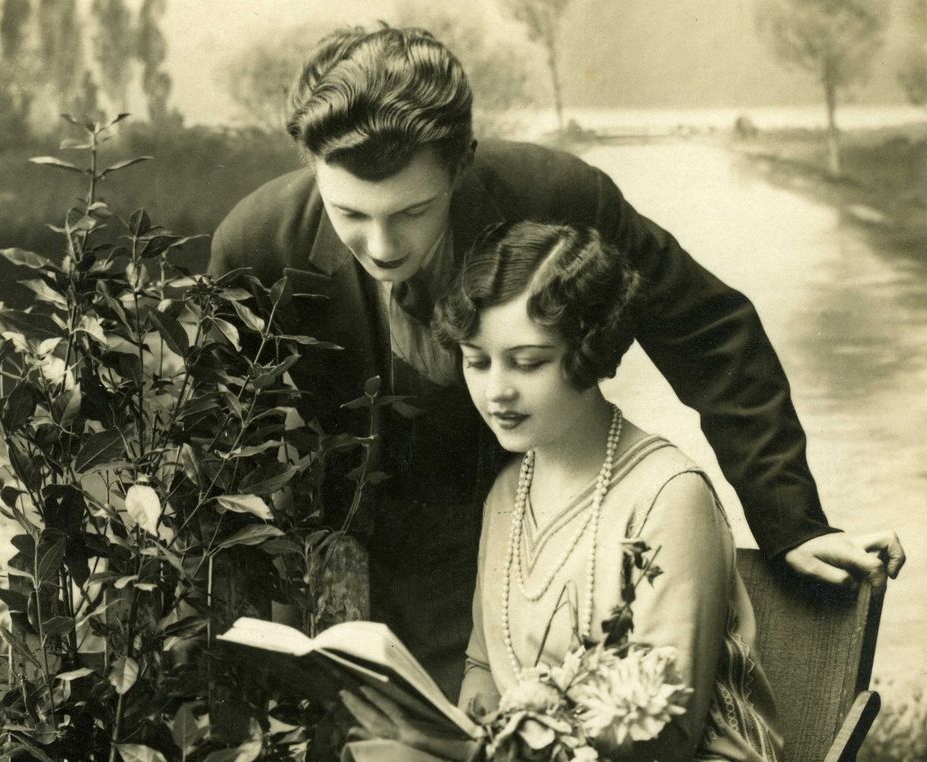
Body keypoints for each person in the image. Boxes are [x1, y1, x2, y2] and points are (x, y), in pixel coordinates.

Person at [208, 25, 904, 699]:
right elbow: (220, 449)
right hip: (359, 549)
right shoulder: (256, 244)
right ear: (312, 168)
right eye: (351, 215)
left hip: (538, 531)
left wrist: (791, 522)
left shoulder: (558, 199)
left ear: (460, 163)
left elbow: (710, 333)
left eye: (414, 212)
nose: (384, 246)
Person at [341, 221, 785, 761]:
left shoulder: (669, 494)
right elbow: (485, 667)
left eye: (528, 363)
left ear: (591, 353)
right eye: (476, 361)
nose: (496, 391)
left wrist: (474, 750)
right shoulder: (508, 490)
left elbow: (664, 737)